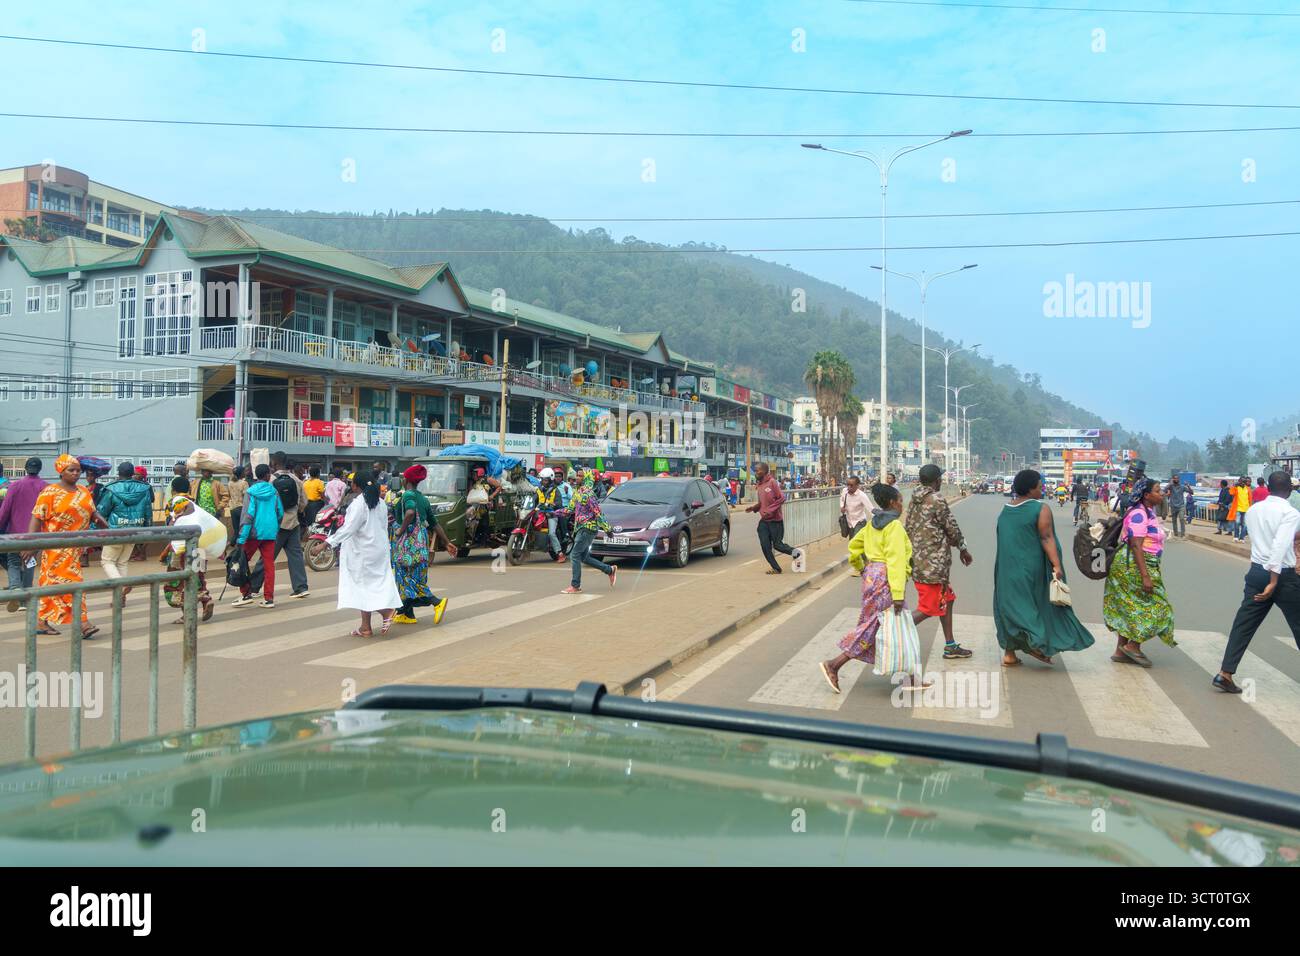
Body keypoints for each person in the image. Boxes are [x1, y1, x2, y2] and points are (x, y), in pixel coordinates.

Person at [820, 482, 928, 692]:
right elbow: (896, 561)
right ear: (892, 503)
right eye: (900, 501)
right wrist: (898, 594)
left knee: (895, 625)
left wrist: (861, 567)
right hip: (886, 579)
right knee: (876, 625)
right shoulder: (894, 526)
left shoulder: (872, 524)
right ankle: (834, 664)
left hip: (871, 576)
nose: (902, 505)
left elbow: (854, 546)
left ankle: (912, 678)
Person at [992, 469, 1095, 667]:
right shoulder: (1040, 508)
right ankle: (1036, 644)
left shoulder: (1006, 509)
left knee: (1008, 607)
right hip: (1031, 568)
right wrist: (1056, 565)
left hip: (1006, 569)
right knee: (1033, 606)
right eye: (1040, 487)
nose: (1043, 490)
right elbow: (1046, 537)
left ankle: (1010, 654)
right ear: (1030, 489)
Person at [1213, 471, 1300, 693]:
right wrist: (1274, 580)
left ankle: (1225, 673)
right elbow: (1280, 545)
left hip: (1256, 572)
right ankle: (1225, 674)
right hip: (1281, 576)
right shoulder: (1290, 513)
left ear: (1268, 488)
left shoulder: (1254, 510)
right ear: (1289, 489)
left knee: (1244, 624)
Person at [21, 455, 108, 637]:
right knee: (72, 583)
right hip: (56, 548)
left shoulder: (83, 491)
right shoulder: (50, 492)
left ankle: (41, 622)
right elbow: (37, 517)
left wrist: (99, 520)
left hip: (76, 548)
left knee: (51, 585)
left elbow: (91, 511)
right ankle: (83, 623)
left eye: (78, 470)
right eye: (71, 470)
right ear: (61, 471)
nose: (76, 473)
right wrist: (30, 543)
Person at [1103, 477, 1175, 667]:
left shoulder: (1147, 512)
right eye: (1158, 491)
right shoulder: (1139, 514)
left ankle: (1120, 650)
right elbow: (1136, 545)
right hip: (1134, 565)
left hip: (1134, 564)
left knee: (1129, 606)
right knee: (1160, 608)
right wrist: (1145, 576)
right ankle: (1133, 646)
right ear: (1146, 495)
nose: (1162, 494)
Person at [904, 465, 974, 659]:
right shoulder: (936, 499)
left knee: (948, 599)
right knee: (928, 608)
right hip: (933, 565)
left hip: (919, 560)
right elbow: (951, 526)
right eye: (940, 478)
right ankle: (892, 631)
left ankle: (950, 645)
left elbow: (909, 527)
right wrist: (963, 548)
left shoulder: (914, 499)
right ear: (936, 481)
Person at [327, 473, 401, 638]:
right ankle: (365, 627)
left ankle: (386, 611)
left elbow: (349, 529)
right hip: (378, 550)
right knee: (366, 586)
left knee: (362, 587)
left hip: (362, 552)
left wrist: (327, 542)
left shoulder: (359, 504)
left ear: (356, 486)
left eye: (352, 483)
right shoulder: (380, 503)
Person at [391, 464, 456, 625]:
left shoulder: (408, 495)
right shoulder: (424, 499)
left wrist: (400, 530)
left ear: (406, 480)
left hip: (406, 545)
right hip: (419, 545)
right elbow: (435, 524)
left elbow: (410, 512)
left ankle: (437, 602)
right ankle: (407, 614)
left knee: (406, 579)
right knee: (410, 578)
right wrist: (447, 542)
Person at [97, 461, 154, 601]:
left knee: (107, 561)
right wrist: (147, 531)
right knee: (122, 562)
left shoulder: (111, 489)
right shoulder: (144, 489)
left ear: (118, 472)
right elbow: (148, 512)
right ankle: (119, 598)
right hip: (135, 530)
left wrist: (94, 529)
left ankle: (122, 585)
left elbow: (101, 511)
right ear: (132, 473)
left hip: (115, 531)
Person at [166, 493, 225, 623]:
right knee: (200, 577)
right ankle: (206, 600)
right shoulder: (197, 511)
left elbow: (172, 534)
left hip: (182, 554)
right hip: (200, 551)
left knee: (181, 583)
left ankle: (187, 614)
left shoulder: (177, 512)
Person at [232, 463, 284, 609]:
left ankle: (246, 593)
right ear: (267, 475)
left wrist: (241, 538)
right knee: (269, 566)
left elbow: (248, 516)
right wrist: (275, 527)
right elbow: (280, 512)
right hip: (270, 533)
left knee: (242, 562)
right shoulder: (274, 492)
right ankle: (269, 598)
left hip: (253, 534)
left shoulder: (251, 492)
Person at [0, 457, 46, 608]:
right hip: (36, 534)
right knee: (29, 562)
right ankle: (25, 599)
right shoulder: (46, 487)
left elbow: (5, 510)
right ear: (40, 469)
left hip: (15, 533)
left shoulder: (15, 486)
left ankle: (15, 589)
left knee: (13, 561)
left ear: (25, 468)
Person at [562, 473, 617, 594]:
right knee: (584, 557)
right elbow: (569, 509)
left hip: (588, 528)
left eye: (580, 476)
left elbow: (598, 513)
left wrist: (607, 529)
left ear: (586, 478)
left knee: (574, 555)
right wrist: (554, 512)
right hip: (580, 528)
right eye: (577, 475)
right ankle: (609, 570)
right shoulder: (577, 492)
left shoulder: (589, 494)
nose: (577, 478)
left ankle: (575, 586)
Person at [748, 461, 801, 574]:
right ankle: (776, 568)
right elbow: (762, 503)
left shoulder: (772, 482)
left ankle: (796, 553)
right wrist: (754, 508)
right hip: (764, 521)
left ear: (764, 471)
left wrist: (770, 510)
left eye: (757, 470)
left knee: (778, 545)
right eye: (755, 471)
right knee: (765, 545)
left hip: (775, 521)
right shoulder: (759, 485)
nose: (755, 472)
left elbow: (782, 498)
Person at [270, 451, 310, 599]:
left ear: (274, 464)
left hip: (276, 525)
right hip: (293, 523)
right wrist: (296, 511)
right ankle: (301, 587)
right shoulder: (296, 479)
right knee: (296, 556)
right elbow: (304, 502)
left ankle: (253, 587)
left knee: (268, 556)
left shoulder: (271, 480)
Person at [537, 469, 564, 561]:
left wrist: (553, 505)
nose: (543, 482)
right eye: (542, 479)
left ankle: (559, 553)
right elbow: (533, 499)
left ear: (550, 480)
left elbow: (559, 503)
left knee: (551, 533)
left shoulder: (555, 490)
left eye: (545, 480)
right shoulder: (539, 489)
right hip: (540, 514)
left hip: (551, 514)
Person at [227, 466, 249, 539]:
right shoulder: (244, 483)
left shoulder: (230, 483)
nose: (245, 473)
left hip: (232, 509)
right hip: (241, 508)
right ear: (241, 473)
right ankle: (241, 544)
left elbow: (229, 495)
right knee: (243, 530)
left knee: (236, 531)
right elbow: (246, 496)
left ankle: (233, 543)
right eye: (244, 471)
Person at [302, 464, 326, 530]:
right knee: (316, 522)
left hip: (307, 505)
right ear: (318, 474)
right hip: (316, 504)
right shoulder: (319, 482)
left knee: (308, 521)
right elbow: (322, 495)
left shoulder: (305, 483)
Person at [1165, 474, 1188, 539]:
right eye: (1175, 478)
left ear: (1179, 479)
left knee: (1181, 518)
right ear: (1173, 479)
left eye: (1177, 478)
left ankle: (1183, 534)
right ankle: (1176, 534)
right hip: (1173, 506)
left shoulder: (1182, 487)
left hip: (1181, 505)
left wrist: (1188, 486)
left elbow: (1191, 492)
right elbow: (1164, 490)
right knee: (1174, 520)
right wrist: (1170, 484)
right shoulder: (1171, 486)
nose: (1176, 479)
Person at [1233, 477, 1252, 541]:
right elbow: (1231, 493)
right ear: (1239, 482)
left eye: (1244, 482)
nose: (1243, 483)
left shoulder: (1248, 489)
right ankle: (1236, 536)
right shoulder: (1236, 488)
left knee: (1244, 524)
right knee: (1237, 522)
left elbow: (1250, 499)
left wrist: (1250, 508)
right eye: (1241, 482)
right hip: (1238, 508)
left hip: (1246, 509)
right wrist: (1234, 486)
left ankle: (1242, 538)